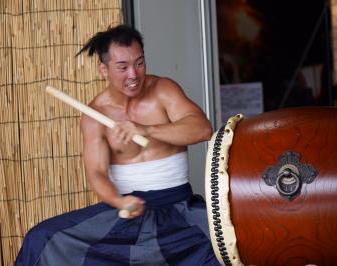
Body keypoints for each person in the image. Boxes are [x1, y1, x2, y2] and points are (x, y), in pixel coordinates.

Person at [15, 25, 220, 266]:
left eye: (140, 63)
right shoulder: (94, 115)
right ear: (104, 69)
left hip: (178, 207)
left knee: (230, 240)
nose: (133, 74)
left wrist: (146, 129)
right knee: (42, 239)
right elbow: (97, 173)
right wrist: (119, 201)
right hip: (125, 211)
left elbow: (202, 130)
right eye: (122, 67)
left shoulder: (164, 90)